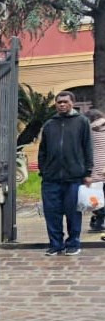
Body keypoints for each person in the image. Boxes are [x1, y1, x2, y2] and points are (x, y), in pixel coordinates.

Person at [38, 90, 93, 255]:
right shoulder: (49, 124)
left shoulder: (82, 122)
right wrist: (44, 169)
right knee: (51, 213)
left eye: (65, 102)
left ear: (72, 103)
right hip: (51, 178)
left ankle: (73, 244)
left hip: (74, 177)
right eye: (59, 102)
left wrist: (88, 171)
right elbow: (43, 150)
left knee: (73, 213)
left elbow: (88, 148)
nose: (62, 104)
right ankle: (55, 244)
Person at [85, 108, 105, 232]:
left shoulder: (88, 131)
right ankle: (99, 220)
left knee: (95, 198)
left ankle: (99, 218)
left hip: (94, 169)